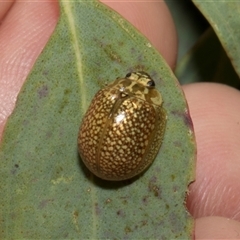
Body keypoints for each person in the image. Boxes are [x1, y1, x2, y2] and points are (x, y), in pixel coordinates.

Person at [0, 1, 240, 238]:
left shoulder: (110, 92)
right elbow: (154, 131)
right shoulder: (143, 107)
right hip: (115, 163)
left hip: (104, 158)